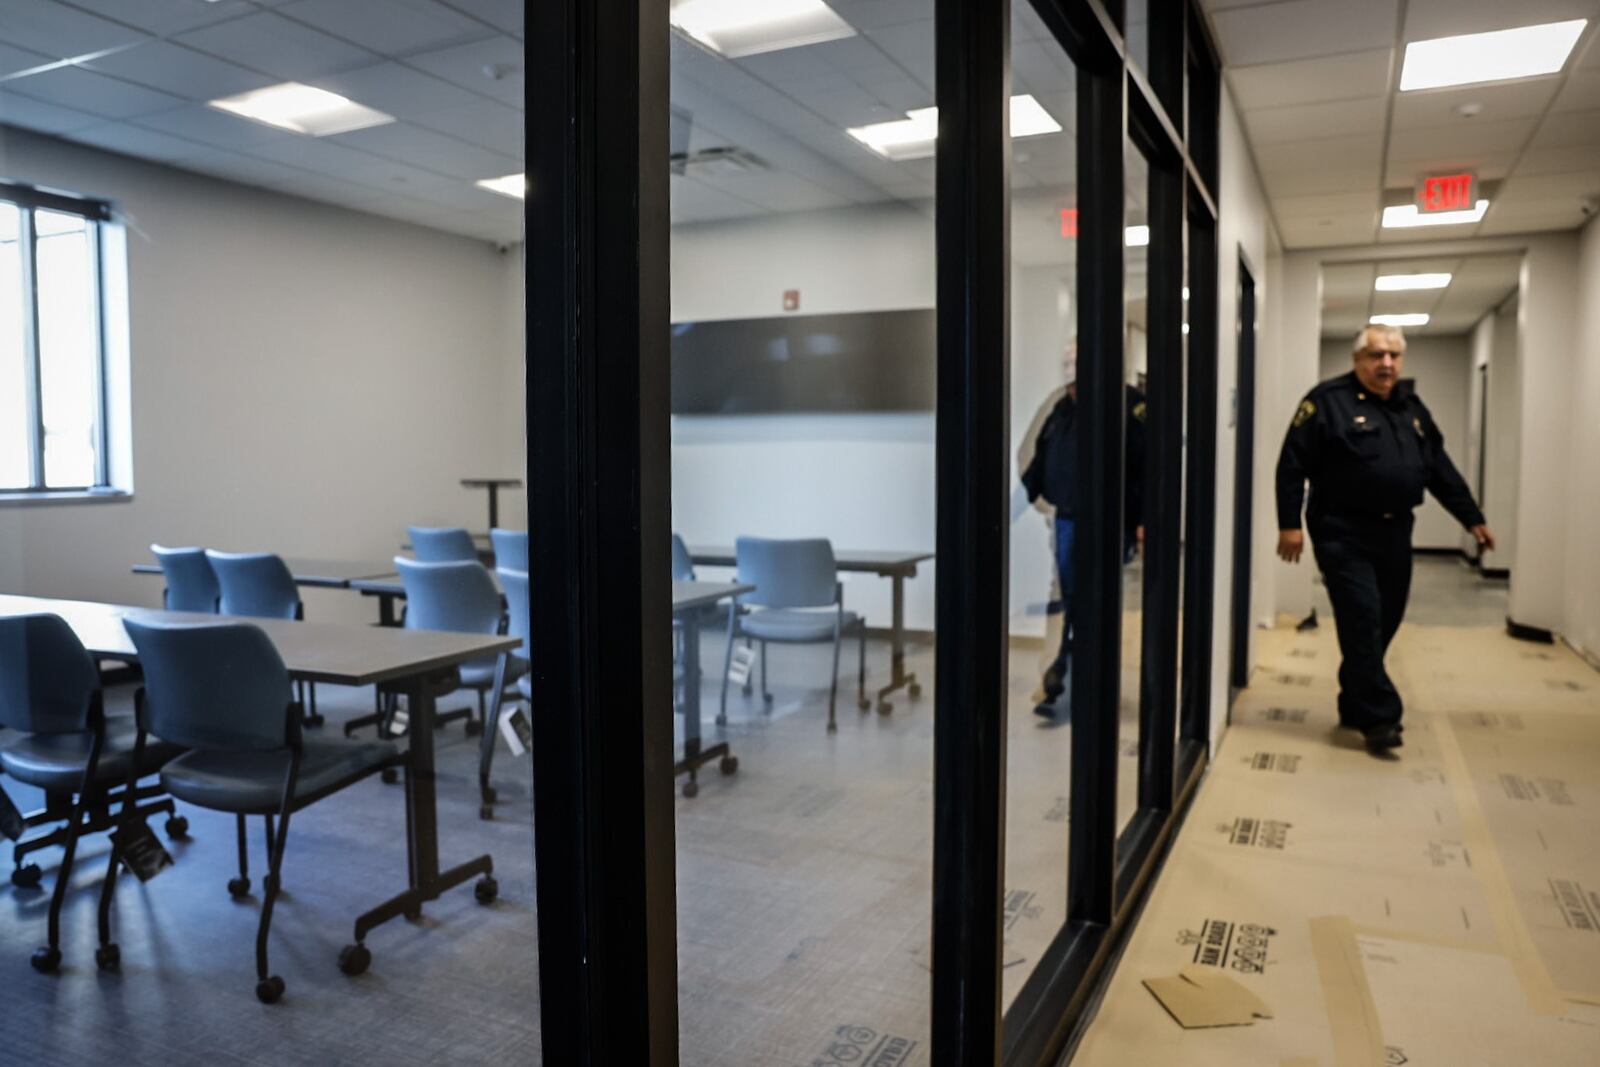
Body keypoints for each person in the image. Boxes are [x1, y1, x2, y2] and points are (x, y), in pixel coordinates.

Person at [1275, 324, 1495, 755]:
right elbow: (1291, 463)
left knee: (1385, 621)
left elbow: (1439, 469)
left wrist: (1471, 518)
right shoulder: (1326, 402)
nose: (1386, 364)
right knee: (1362, 617)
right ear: (1358, 360)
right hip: (1341, 530)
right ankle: (1380, 717)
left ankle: (1354, 699)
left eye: (1394, 356)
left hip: (1395, 531)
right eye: (1377, 355)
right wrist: (1289, 523)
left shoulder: (1411, 409)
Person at [1021, 342, 1146, 720]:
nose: (1071, 381)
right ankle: (1056, 675)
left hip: (1112, 523)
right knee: (1067, 596)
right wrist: (1043, 504)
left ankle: (1084, 682)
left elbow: (1148, 467)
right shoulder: (1060, 407)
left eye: (1076, 369)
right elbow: (1033, 454)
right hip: (1067, 519)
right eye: (1066, 368)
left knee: (1096, 601)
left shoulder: (1130, 406)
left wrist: (1143, 522)